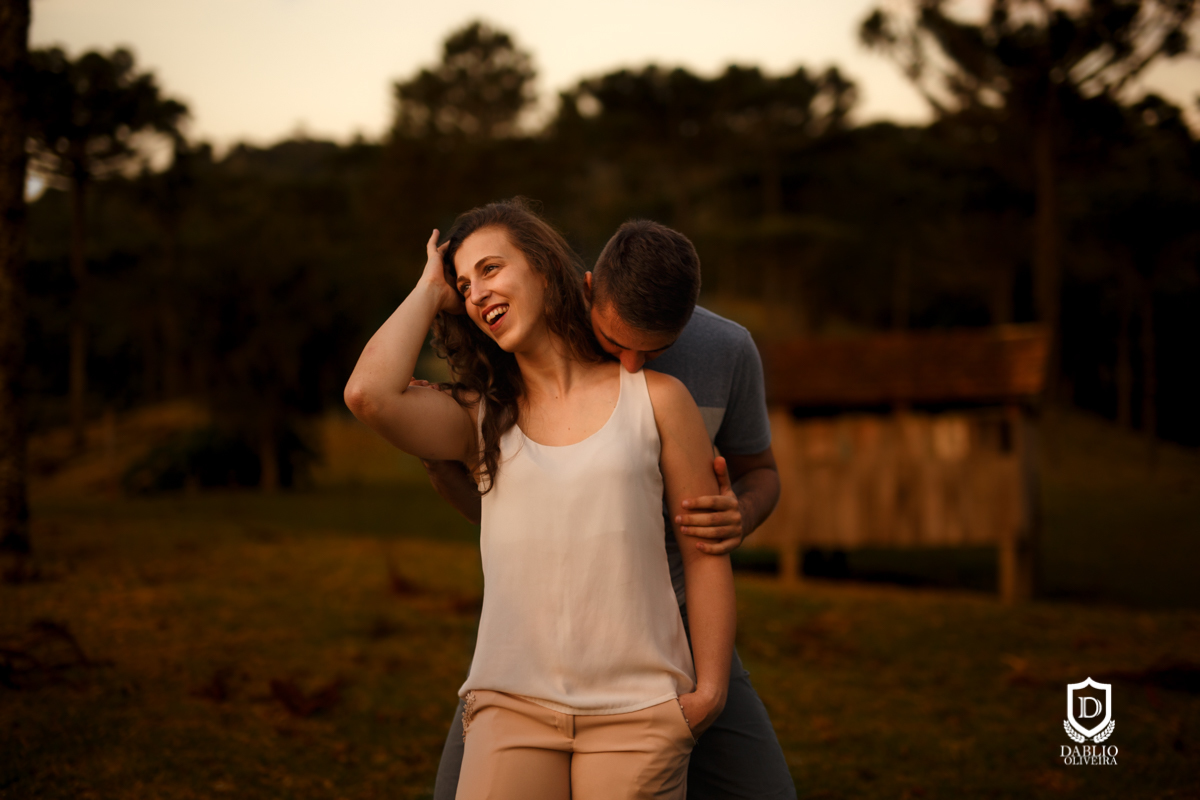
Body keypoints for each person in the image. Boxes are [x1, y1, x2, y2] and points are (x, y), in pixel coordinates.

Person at [344, 200, 736, 800]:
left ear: (547, 271)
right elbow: (367, 394)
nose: (477, 292)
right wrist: (430, 286)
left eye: (492, 268)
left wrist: (707, 695)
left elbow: (704, 551)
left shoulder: (659, 399)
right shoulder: (479, 418)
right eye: (466, 284)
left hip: (639, 713)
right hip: (510, 709)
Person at [428, 219, 798, 800]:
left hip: (679, 622)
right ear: (589, 287)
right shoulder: (533, 330)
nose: (630, 363)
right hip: (541, 646)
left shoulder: (728, 349)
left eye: (654, 351)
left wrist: (742, 514)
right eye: (615, 341)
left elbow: (762, 473)